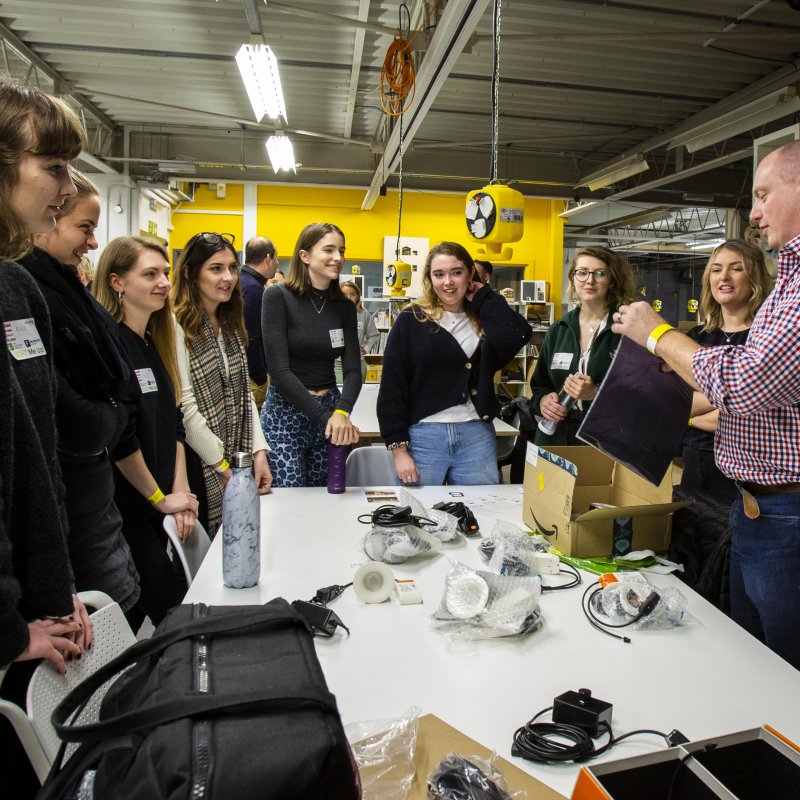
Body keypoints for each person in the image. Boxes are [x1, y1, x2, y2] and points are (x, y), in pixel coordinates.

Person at [611, 140, 800, 671]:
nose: (755, 211)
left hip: (786, 512)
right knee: (750, 654)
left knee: (784, 668)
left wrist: (658, 334)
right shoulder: (787, 282)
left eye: (764, 194)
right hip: (755, 507)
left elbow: (740, 385)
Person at [18, 167, 145, 629]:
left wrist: (106, 419)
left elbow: (120, 389)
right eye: (85, 228)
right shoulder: (28, 288)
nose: (92, 242)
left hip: (92, 493)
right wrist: (107, 420)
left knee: (121, 609)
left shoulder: (67, 287)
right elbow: (73, 417)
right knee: (104, 623)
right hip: (69, 500)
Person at [0, 80, 92, 674]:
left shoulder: (17, 287)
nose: (68, 188)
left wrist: (60, 587)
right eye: (54, 166)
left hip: (40, 608)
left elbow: (39, 454)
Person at [93, 236, 199, 624]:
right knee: (170, 613)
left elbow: (174, 424)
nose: (163, 283)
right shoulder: (111, 344)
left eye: (165, 274)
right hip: (128, 511)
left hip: (156, 507)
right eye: (149, 274)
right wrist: (159, 498)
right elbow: (122, 439)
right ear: (117, 282)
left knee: (158, 612)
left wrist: (181, 490)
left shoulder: (154, 343)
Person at [377, 241, 532, 485]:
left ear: (470, 274)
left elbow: (519, 334)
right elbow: (392, 387)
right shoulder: (412, 319)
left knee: (482, 512)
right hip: (424, 436)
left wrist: (483, 296)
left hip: (475, 434)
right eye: (439, 274)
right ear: (430, 278)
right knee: (418, 515)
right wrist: (398, 450)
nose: (447, 282)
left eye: (456, 272)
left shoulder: (484, 316)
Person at [171, 232, 272, 535]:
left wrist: (259, 453)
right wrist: (223, 468)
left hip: (236, 460)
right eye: (215, 268)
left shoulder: (229, 324)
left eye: (231, 267)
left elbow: (244, 396)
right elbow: (185, 409)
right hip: (201, 466)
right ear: (190, 273)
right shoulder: (176, 325)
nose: (227, 277)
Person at [260, 223, 361, 487]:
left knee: (327, 496)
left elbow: (352, 370)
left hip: (330, 411)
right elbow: (279, 372)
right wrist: (328, 419)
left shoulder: (343, 306)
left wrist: (342, 411)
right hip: (286, 414)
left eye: (341, 250)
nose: (338, 258)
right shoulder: (277, 297)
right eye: (328, 250)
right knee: (288, 497)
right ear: (305, 256)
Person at [678, 240, 772, 504]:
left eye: (736, 268)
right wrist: (734, 389)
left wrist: (699, 406)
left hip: (748, 470)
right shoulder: (695, 338)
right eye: (717, 269)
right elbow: (676, 403)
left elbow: (755, 413)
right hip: (696, 462)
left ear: (754, 276)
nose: (724, 277)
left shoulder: (765, 339)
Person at [529, 245, 636, 446]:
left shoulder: (627, 329)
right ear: (573, 278)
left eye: (600, 274)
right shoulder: (559, 329)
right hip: (555, 438)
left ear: (612, 281)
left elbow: (641, 395)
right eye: (582, 272)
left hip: (604, 441)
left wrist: (594, 394)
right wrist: (543, 401)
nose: (590, 280)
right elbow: (540, 385)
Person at [240, 236, 279, 408]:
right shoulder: (254, 289)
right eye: (276, 258)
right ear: (268, 259)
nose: (277, 263)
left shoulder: (243, 282)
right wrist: (260, 377)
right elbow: (252, 336)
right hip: (252, 377)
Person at [340, 279, 380, 381]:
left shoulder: (363, 313)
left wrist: (366, 348)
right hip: (337, 364)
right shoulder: (332, 312)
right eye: (345, 294)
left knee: (356, 395)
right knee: (338, 395)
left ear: (357, 296)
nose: (349, 297)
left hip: (357, 362)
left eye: (352, 294)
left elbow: (374, 335)